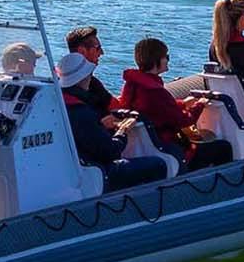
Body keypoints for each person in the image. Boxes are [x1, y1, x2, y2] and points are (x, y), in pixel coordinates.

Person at [117, 38, 234, 171]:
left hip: (147, 147)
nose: (168, 60)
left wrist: (183, 104)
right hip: (167, 148)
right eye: (166, 56)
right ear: (156, 60)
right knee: (223, 147)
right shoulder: (155, 92)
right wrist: (200, 104)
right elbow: (185, 120)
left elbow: (157, 109)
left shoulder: (133, 85)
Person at [57, 52, 168, 191]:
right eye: (89, 74)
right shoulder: (80, 111)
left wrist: (100, 126)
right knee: (158, 164)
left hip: (71, 169)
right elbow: (110, 152)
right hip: (95, 173)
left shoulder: (58, 103)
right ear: (82, 78)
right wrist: (123, 131)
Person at [64, 25, 115, 119]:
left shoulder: (61, 83)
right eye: (98, 48)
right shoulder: (88, 85)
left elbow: (114, 105)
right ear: (82, 51)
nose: (102, 53)